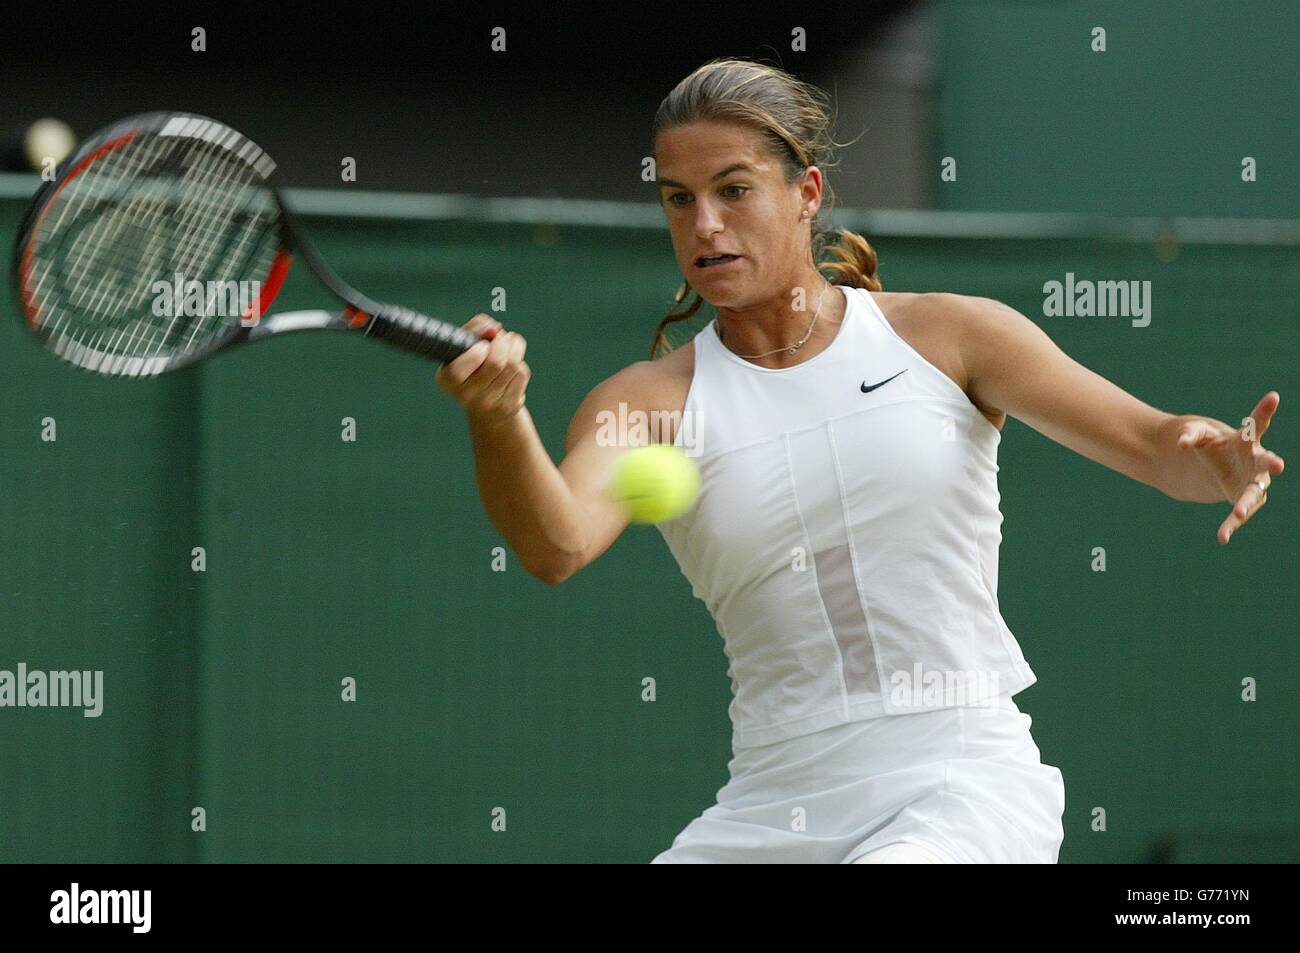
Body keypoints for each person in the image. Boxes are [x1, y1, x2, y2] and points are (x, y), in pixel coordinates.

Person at [435, 58, 1285, 863]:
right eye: (678, 199)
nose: (705, 225)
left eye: (734, 190)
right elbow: (556, 544)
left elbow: (1154, 445)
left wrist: (1209, 455)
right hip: (770, 801)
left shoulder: (952, 334)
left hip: (962, 781)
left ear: (806, 193)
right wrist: (499, 418)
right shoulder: (646, 401)